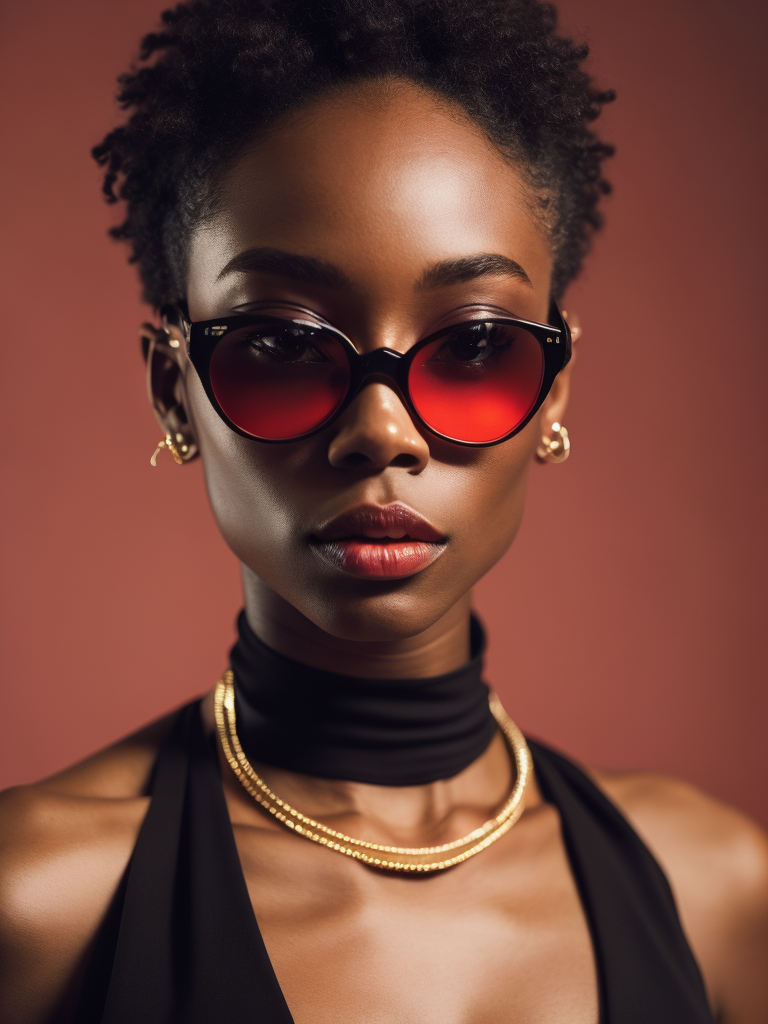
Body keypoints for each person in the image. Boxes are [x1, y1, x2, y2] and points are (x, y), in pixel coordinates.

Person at [1, 0, 766, 1021]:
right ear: (173, 389)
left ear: (556, 393)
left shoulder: (714, 890)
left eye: (477, 344)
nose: (381, 432)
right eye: (282, 343)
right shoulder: (39, 901)